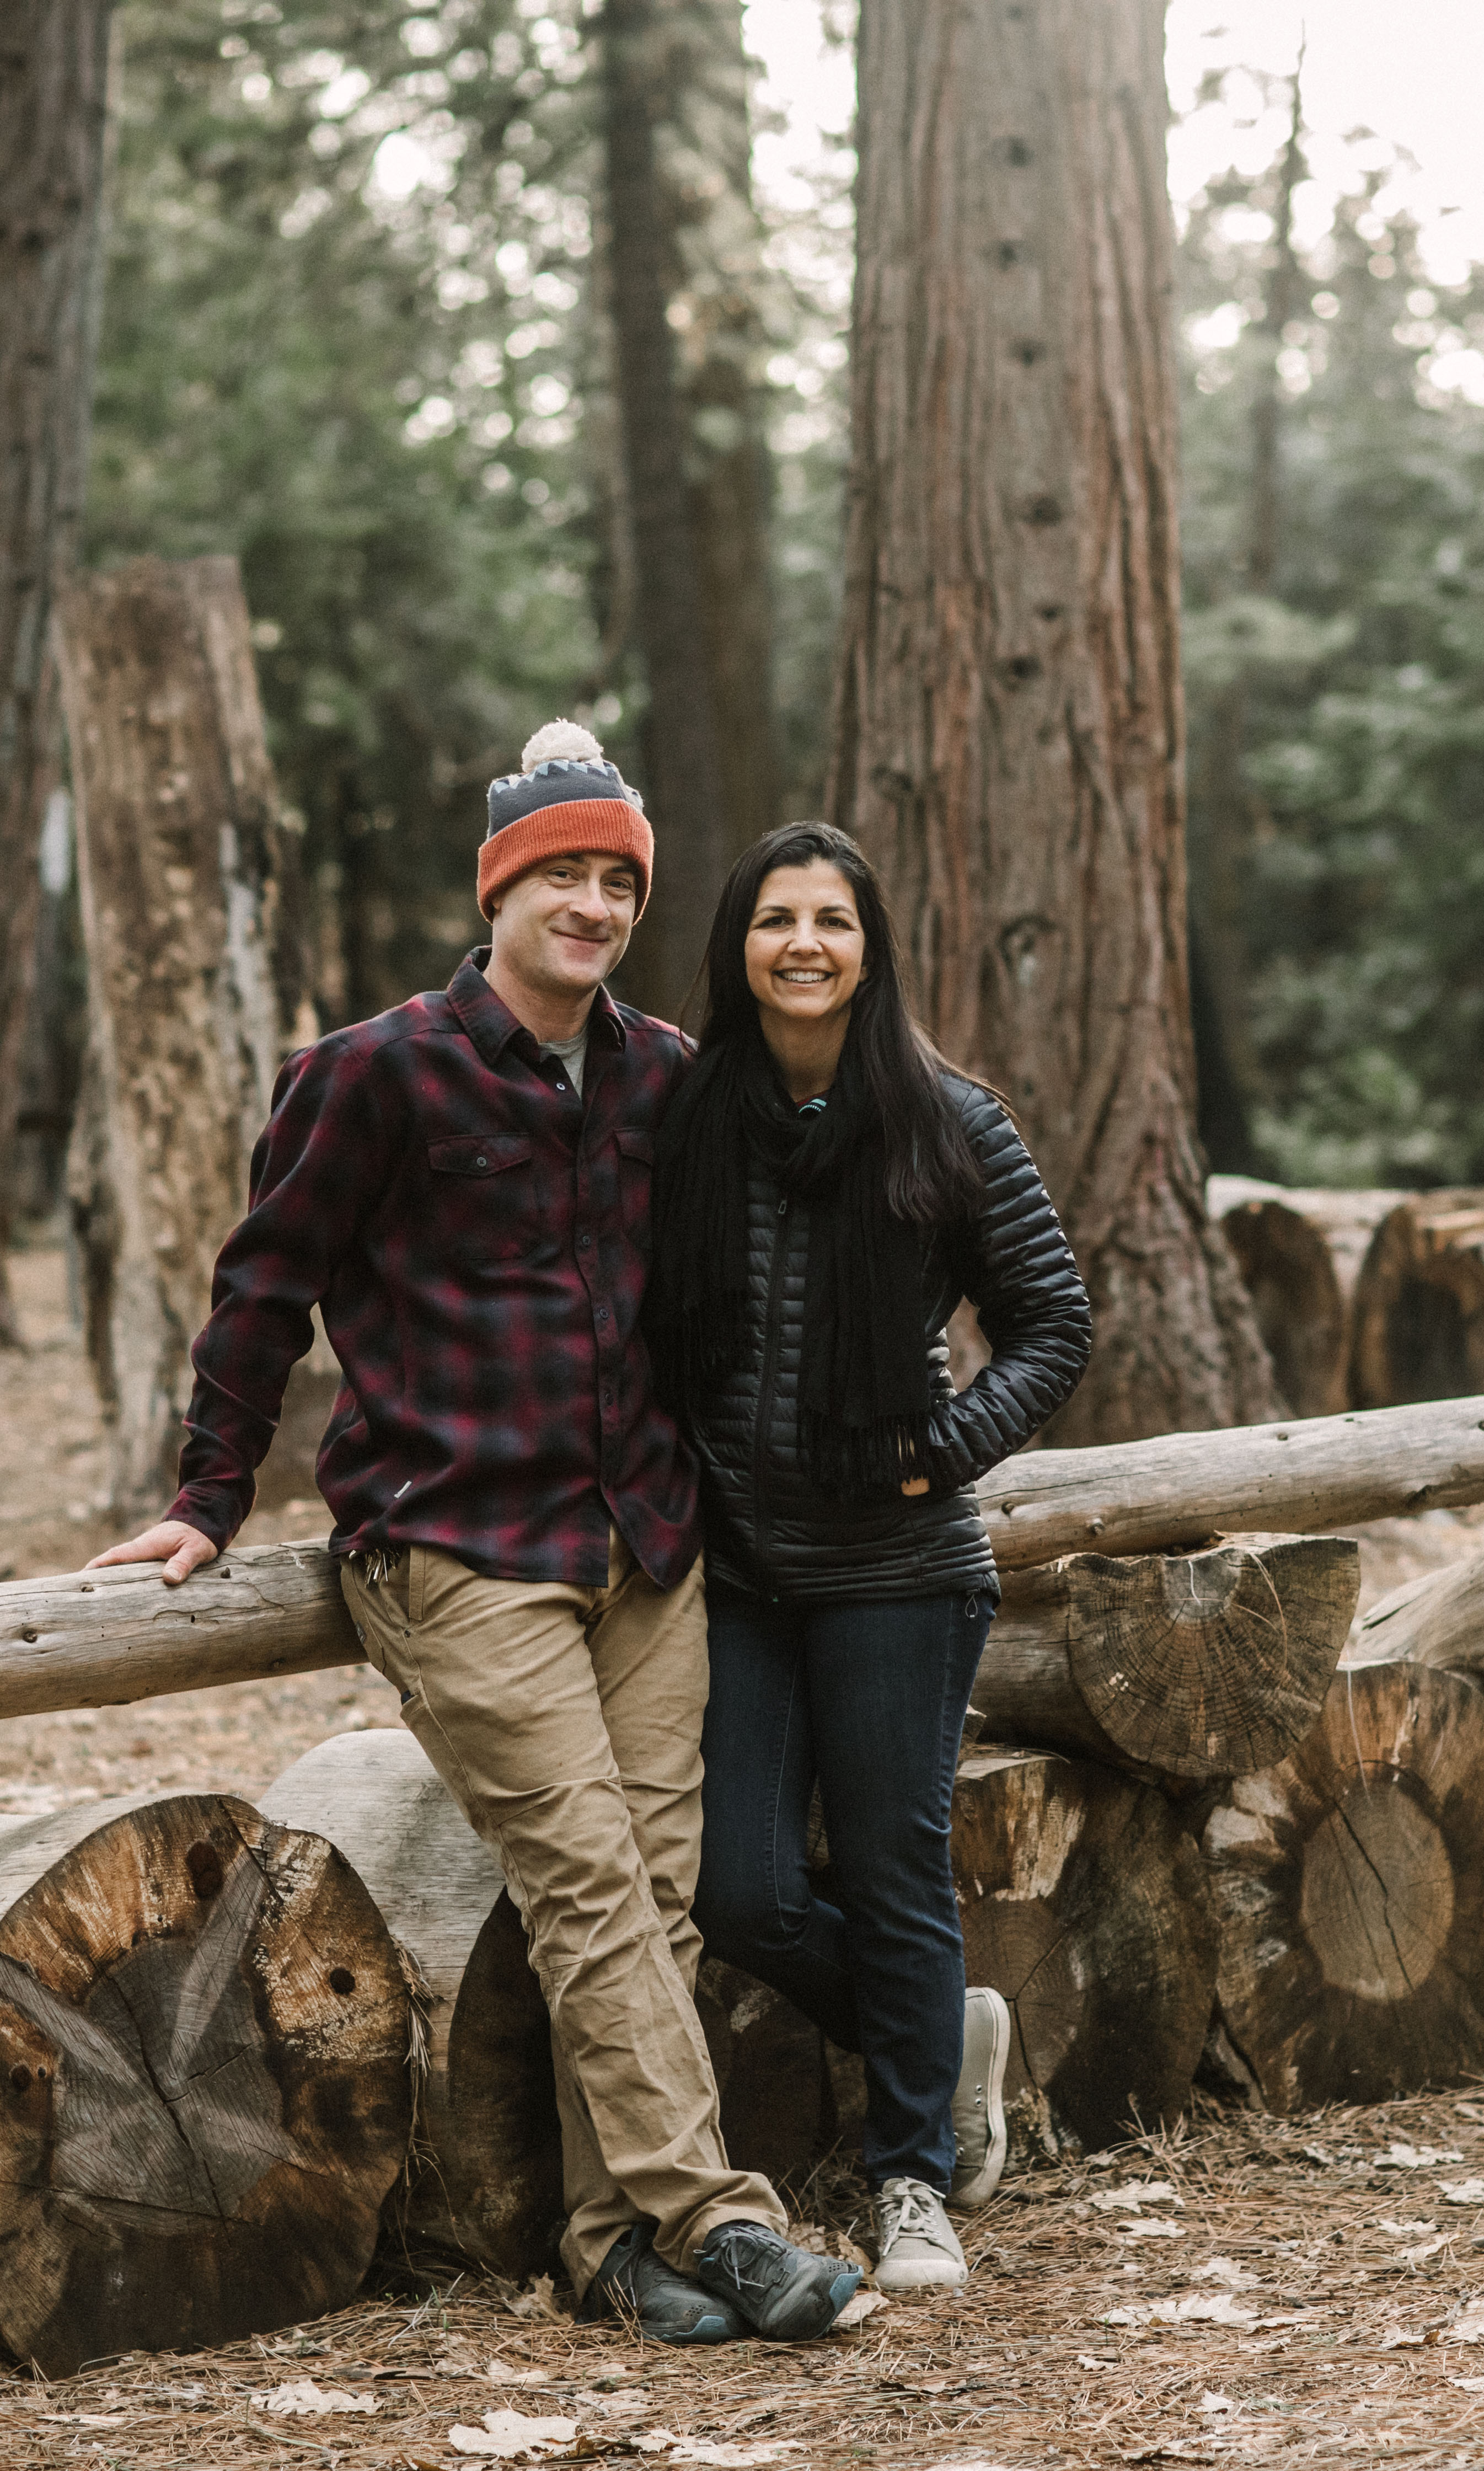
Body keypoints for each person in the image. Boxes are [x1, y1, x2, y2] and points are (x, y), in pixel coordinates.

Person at [89, 724, 859, 2347]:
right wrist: (205, 1500)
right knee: (587, 1884)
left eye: (617, 882)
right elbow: (262, 1293)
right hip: (455, 1541)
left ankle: (607, 2249)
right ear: (500, 888)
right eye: (562, 875)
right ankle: (718, 2220)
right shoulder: (373, 1071)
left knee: (650, 1896)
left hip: (644, 1545)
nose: (591, 904)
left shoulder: (660, 1070)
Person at [651, 821, 1093, 2298]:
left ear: (870, 944)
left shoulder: (947, 1120)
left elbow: (1055, 1324)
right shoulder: (689, 1114)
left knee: (900, 1879)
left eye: (831, 920)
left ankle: (915, 2180)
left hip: (902, 1567)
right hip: (744, 1573)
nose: (804, 945)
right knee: (744, 1892)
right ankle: (944, 2031)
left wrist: (942, 1450)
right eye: (776, 918)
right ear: (739, 948)